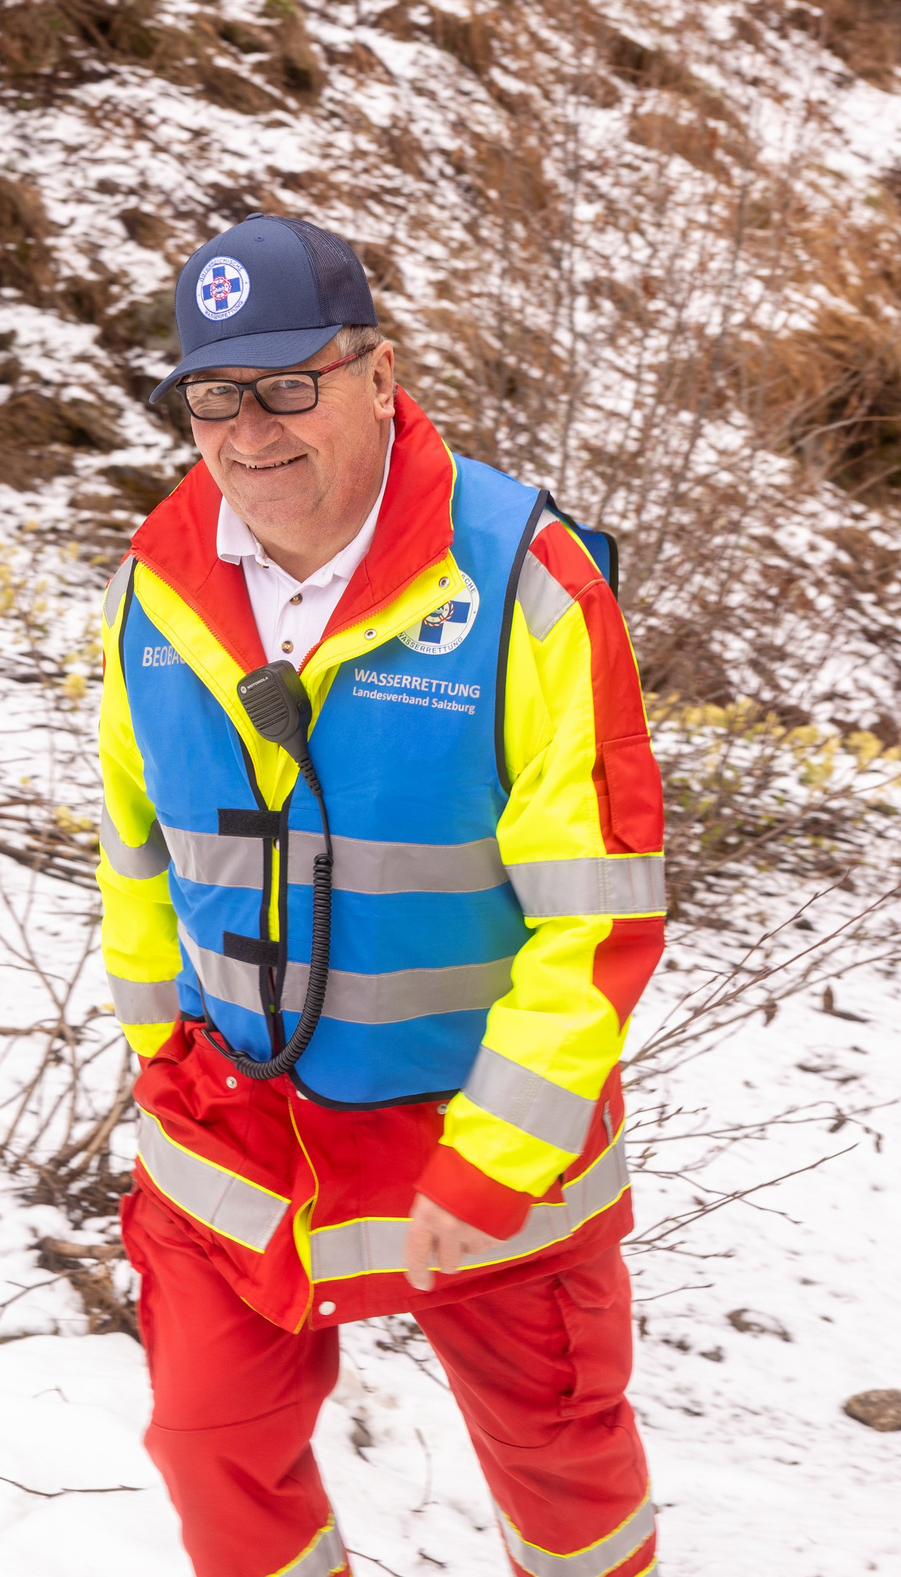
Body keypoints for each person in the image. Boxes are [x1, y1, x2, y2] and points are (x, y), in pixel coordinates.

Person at [96, 214, 669, 1577]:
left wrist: (500, 1152)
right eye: (214, 396)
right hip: (235, 1124)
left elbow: (599, 915)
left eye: (291, 383)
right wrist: (162, 1048)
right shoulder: (152, 586)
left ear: (378, 372)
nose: (251, 433)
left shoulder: (527, 582)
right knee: (211, 1447)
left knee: (564, 1464)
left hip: (480, 1126)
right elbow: (137, 853)